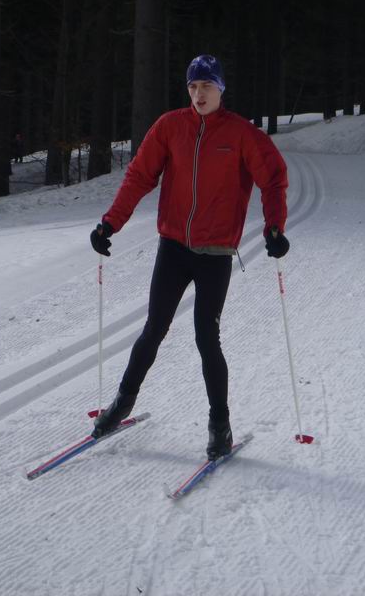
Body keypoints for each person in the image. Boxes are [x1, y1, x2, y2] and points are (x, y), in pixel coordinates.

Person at [89, 54, 290, 460]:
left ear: (221, 89)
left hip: (215, 252)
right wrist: (110, 223)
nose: (199, 94)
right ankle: (122, 404)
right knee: (154, 328)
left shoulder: (241, 134)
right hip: (174, 247)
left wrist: (274, 227)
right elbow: (139, 176)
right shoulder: (170, 126)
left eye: (207, 86)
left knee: (206, 337)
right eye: (193, 86)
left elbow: (273, 178)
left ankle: (220, 425)